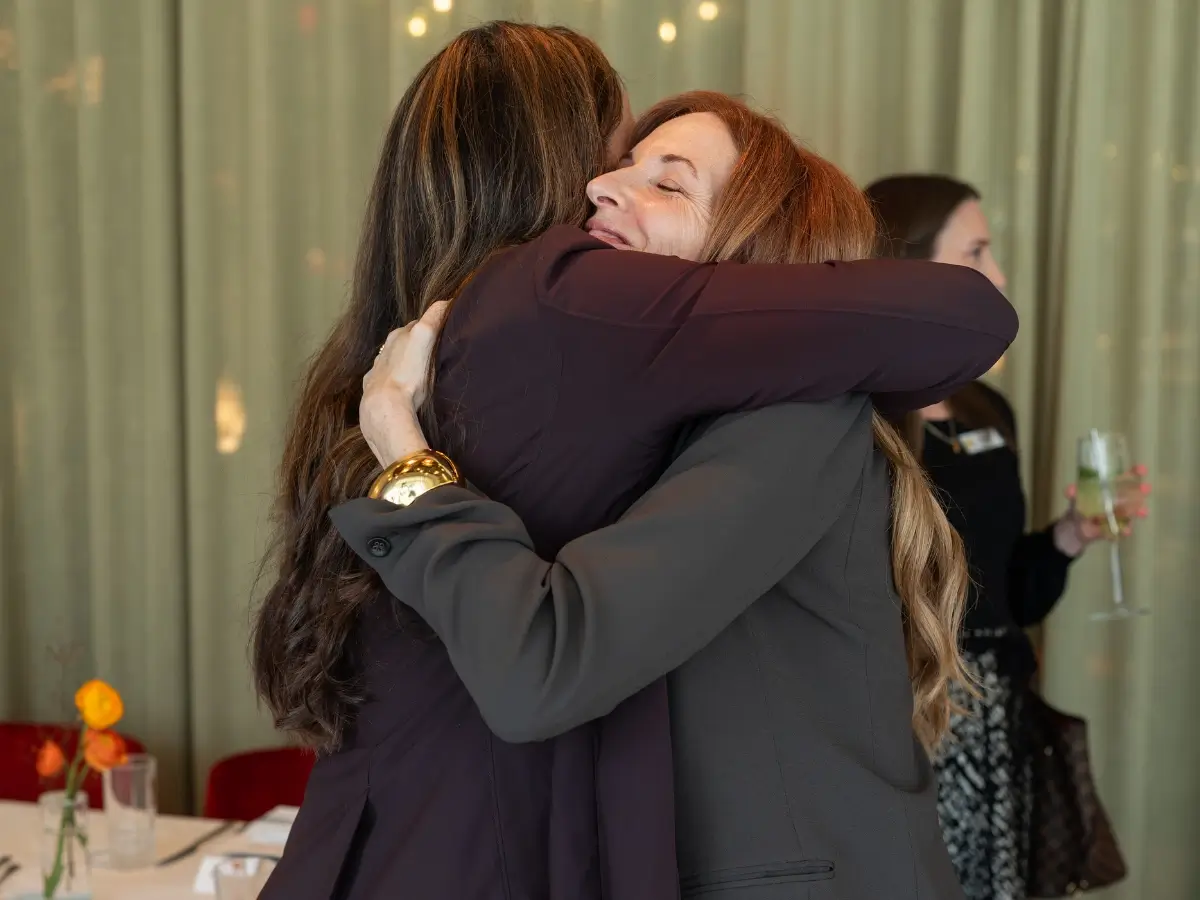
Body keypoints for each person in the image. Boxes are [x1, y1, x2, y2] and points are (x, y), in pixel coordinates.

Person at [252, 23, 1015, 900]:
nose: (600, 187)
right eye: (619, 164)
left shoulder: (795, 420)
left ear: (750, 270)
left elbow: (548, 659)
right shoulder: (631, 407)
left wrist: (409, 466)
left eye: (667, 181)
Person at [865, 174, 1151, 900]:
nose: (996, 275)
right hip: (908, 715)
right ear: (910, 267)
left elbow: (1009, 597)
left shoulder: (986, 408)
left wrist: (1069, 537)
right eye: (975, 253)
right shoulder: (863, 418)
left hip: (1000, 714)